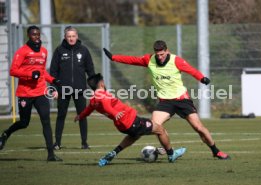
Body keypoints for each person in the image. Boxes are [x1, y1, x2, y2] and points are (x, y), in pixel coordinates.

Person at [103, 40, 230, 160]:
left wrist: (202, 78)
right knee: (154, 127)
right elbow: (132, 60)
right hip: (165, 103)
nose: (160, 57)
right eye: (157, 54)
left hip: (182, 100)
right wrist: (114, 57)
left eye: (162, 54)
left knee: (199, 128)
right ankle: (169, 151)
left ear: (167, 51)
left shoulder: (176, 60)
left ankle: (216, 151)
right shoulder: (149, 59)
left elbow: (191, 70)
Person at [75, 73, 186, 167]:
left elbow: (88, 110)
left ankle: (112, 154)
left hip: (122, 125)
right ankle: (171, 155)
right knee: (160, 129)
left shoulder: (94, 98)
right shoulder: (102, 95)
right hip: (131, 121)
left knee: (134, 136)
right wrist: (115, 113)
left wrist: (80, 116)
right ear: (101, 83)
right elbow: (106, 106)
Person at [0, 25, 62, 161]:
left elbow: (42, 72)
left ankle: (51, 155)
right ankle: (6, 133)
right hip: (25, 93)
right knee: (24, 122)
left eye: (38, 34)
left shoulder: (44, 51)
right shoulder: (22, 51)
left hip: (41, 92)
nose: (37, 37)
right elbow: (13, 70)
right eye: (34, 34)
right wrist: (29, 74)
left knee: (46, 121)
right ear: (29, 35)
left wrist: (53, 80)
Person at [50, 26, 95, 150]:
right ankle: (57, 143)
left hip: (80, 89)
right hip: (63, 90)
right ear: (65, 37)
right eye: (69, 36)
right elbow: (53, 72)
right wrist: (54, 89)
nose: (71, 38)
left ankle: (84, 143)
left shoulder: (84, 51)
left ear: (77, 37)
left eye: (73, 36)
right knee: (61, 115)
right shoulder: (59, 50)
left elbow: (90, 71)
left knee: (82, 116)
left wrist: (96, 88)